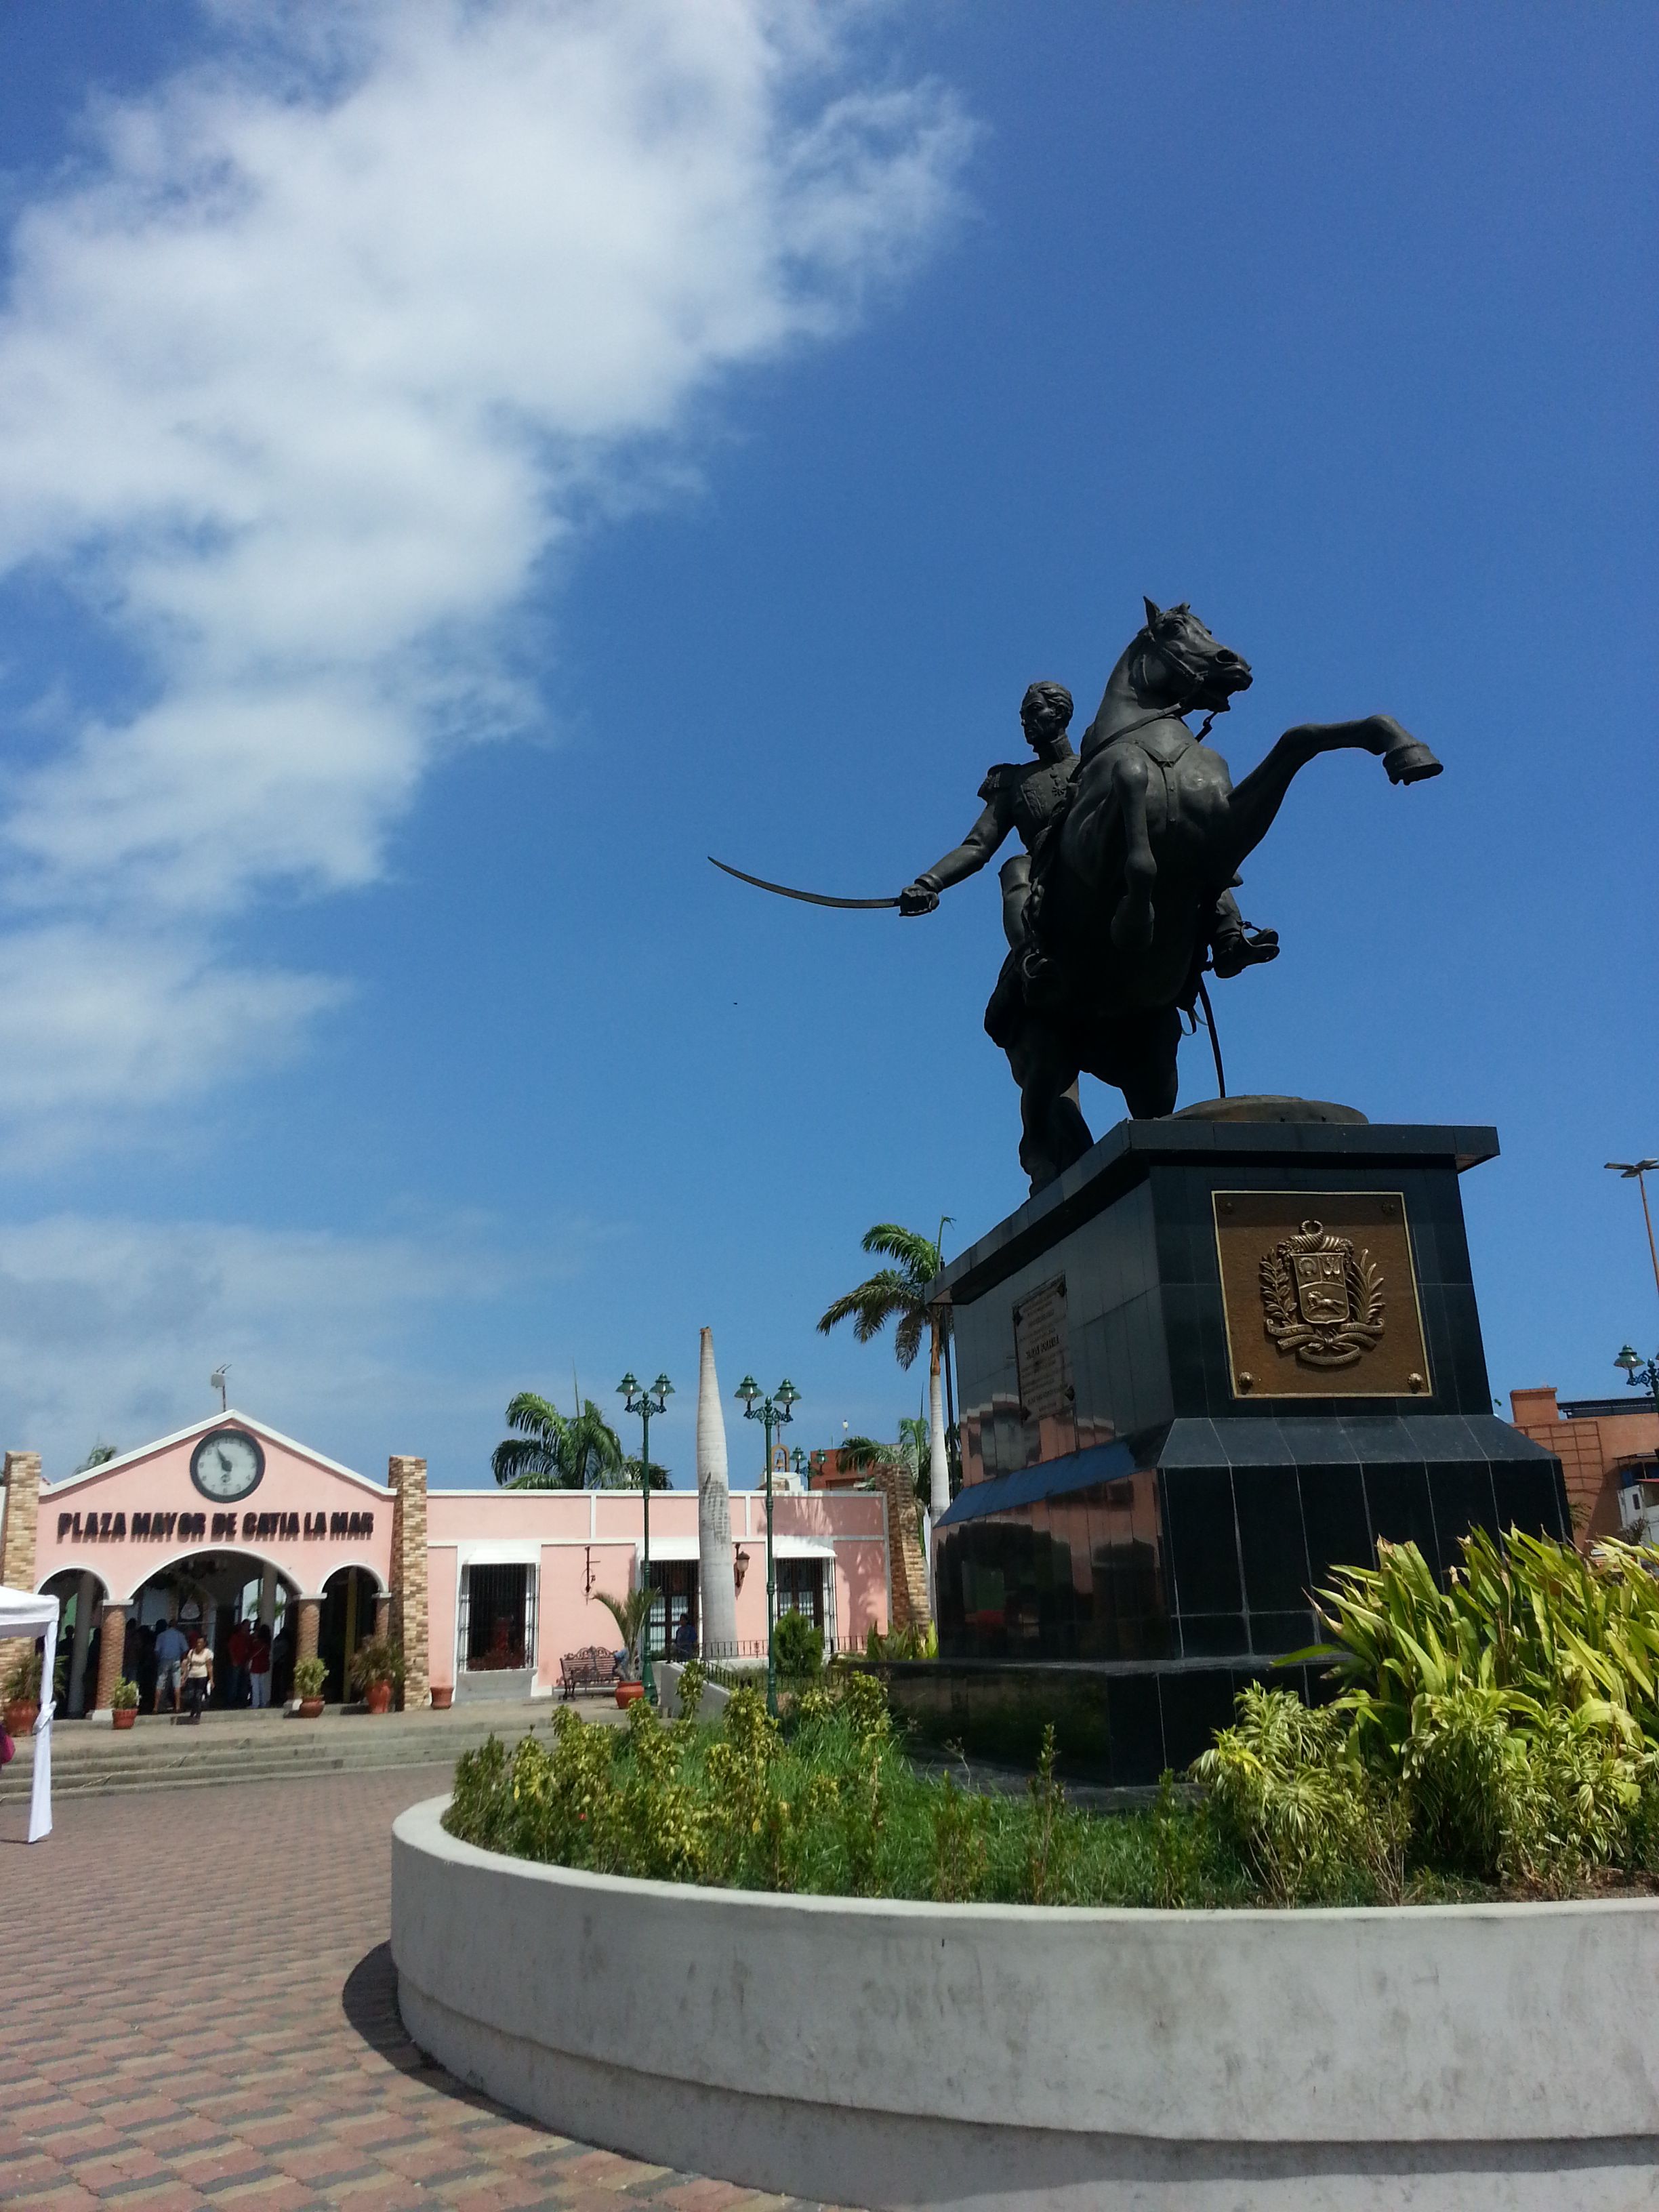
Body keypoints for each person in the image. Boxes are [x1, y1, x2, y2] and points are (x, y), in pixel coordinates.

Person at [153, 1616, 188, 1715]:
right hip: (176, 1660)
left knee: (160, 1683)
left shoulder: (161, 1635)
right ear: (176, 1626)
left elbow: (156, 1651)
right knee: (177, 1684)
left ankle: (155, 1708)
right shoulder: (180, 1635)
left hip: (164, 1660)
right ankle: (177, 1707)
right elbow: (185, 1650)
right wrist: (183, 1661)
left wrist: (158, 1661)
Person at [180, 1630, 213, 1723]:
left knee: (198, 1695)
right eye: (197, 1642)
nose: (199, 1644)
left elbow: (209, 1667)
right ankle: (193, 1710)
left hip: (202, 1676)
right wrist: (184, 1677)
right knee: (191, 1695)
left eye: (201, 1643)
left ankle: (198, 1714)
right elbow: (187, 1665)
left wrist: (211, 1679)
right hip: (192, 1676)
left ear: (204, 1644)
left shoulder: (207, 1653)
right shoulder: (191, 1652)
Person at [227, 1617, 252, 1708]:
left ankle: (242, 1700)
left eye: (249, 1626)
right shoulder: (236, 1636)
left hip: (245, 1662)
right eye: (247, 1625)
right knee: (234, 1682)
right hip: (236, 1662)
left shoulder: (249, 1638)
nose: (248, 1627)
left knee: (244, 1682)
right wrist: (233, 1660)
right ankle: (231, 1701)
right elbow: (230, 1648)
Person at [247, 1622, 273, 1709]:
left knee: (255, 1685)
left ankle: (255, 1703)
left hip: (256, 1665)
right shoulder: (268, 1643)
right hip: (264, 1665)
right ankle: (263, 1702)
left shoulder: (257, 1642)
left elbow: (251, 1652)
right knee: (262, 1685)